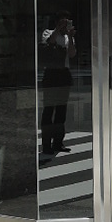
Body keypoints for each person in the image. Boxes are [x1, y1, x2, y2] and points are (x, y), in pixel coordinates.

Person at [40, 15, 76, 157]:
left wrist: (71, 37)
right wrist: (57, 29)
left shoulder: (68, 37)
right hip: (51, 73)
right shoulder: (48, 32)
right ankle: (46, 144)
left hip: (64, 73)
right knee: (49, 109)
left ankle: (58, 142)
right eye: (63, 22)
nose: (65, 26)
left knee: (61, 109)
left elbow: (72, 54)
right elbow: (50, 42)